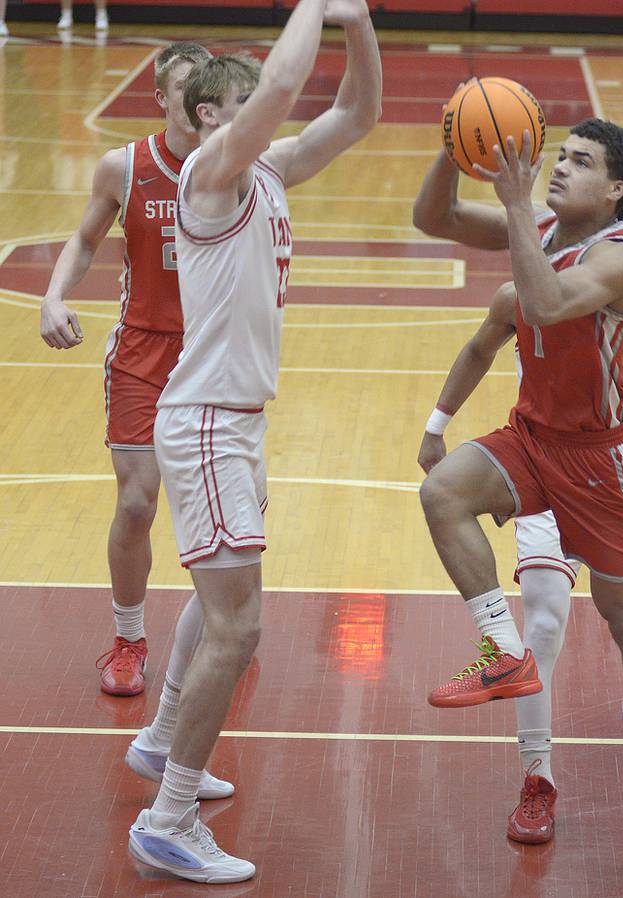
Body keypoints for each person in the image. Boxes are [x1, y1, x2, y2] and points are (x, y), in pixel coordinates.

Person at [126, 0, 381, 883]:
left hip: (234, 421)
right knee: (241, 629)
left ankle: (162, 743)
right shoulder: (212, 170)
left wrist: (356, 22)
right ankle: (169, 820)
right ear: (211, 116)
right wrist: (315, 1)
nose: (277, 117)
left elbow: (357, 113)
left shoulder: (265, 170)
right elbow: (282, 83)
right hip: (206, 423)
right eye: (255, 108)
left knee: (221, 606)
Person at [414, 116, 623, 859]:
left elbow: (549, 302)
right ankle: (505, 649)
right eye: (558, 156)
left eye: (579, 161)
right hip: (532, 438)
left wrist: (518, 208)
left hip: (603, 462)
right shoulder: (543, 224)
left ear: (617, 188)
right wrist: (455, 143)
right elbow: (432, 218)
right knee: (443, 495)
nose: (559, 167)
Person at [417, 279, 623, 846]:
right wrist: (437, 424)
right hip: (544, 467)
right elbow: (480, 343)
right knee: (543, 629)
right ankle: (537, 780)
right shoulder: (523, 293)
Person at [40, 42, 213, 697]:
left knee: (229, 509)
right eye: (184, 88)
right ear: (161, 98)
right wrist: (54, 296)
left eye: (207, 88)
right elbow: (85, 238)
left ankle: (224, 625)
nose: (196, 100)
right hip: (143, 354)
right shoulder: (125, 166)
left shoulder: (236, 168)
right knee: (139, 501)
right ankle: (128, 638)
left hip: (213, 358)